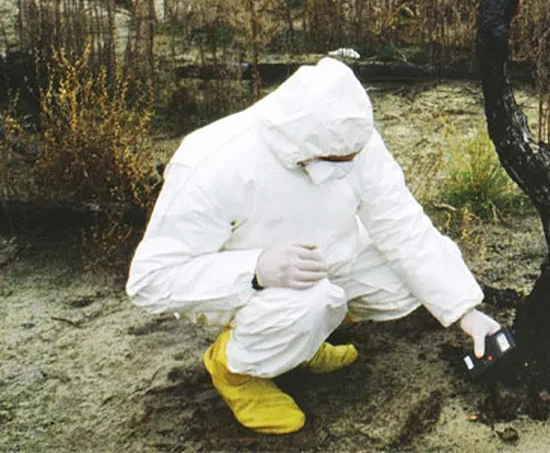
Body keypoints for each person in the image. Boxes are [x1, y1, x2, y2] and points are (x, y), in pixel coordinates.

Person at [126, 57, 502, 435]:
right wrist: (254, 270)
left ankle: (302, 343)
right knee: (308, 303)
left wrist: (463, 311)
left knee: (400, 278)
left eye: (352, 158)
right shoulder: (212, 165)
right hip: (249, 281)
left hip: (322, 257)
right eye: (337, 161)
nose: (349, 166)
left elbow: (402, 225)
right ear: (304, 148)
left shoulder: (351, 136)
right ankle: (235, 370)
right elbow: (150, 281)